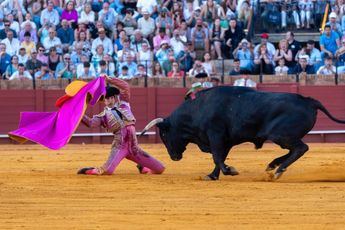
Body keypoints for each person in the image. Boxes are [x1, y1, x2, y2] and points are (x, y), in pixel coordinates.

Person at [78, 77, 165, 175]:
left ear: (115, 97)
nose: (109, 99)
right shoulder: (103, 116)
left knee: (160, 169)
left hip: (134, 148)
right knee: (107, 171)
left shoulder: (124, 104)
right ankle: (88, 170)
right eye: (106, 98)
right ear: (103, 100)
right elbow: (90, 123)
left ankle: (143, 167)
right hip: (120, 147)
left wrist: (109, 79)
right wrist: (78, 112)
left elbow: (125, 86)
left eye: (111, 97)